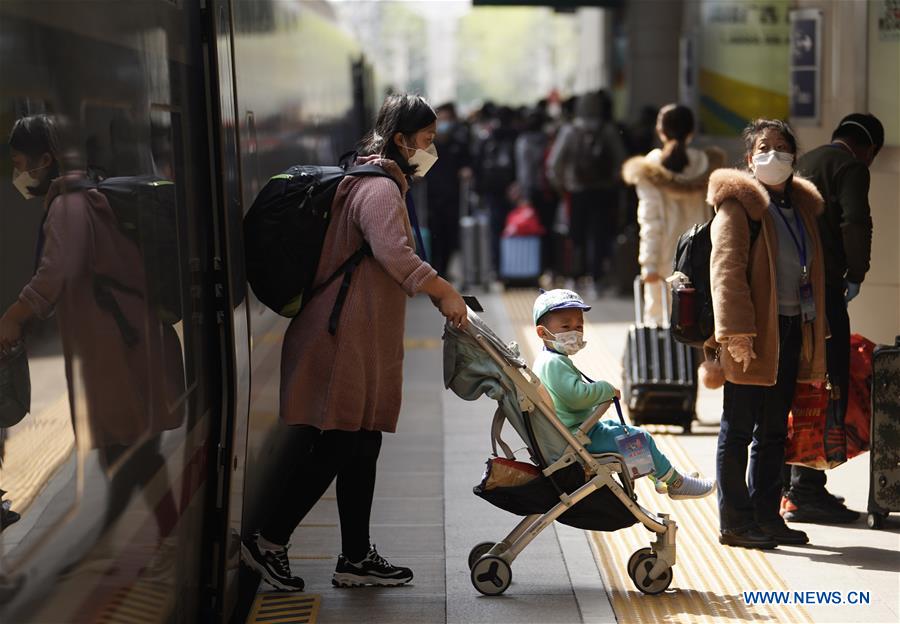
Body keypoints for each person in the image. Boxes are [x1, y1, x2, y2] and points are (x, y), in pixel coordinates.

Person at [240, 94, 468, 592]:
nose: (431, 150)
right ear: (401, 139)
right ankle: (269, 541)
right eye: (426, 140)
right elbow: (395, 254)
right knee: (341, 441)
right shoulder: (379, 188)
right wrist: (443, 291)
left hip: (358, 334)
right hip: (340, 334)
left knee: (363, 441)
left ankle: (356, 556)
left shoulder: (377, 181)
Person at [1, 114, 185, 538]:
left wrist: (14, 316)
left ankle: (163, 535)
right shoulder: (86, 194)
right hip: (123, 339)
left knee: (129, 448)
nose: (17, 174)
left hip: (119, 344)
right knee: (125, 447)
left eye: (20, 163)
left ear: (45, 160)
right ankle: (131, 536)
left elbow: (55, 274)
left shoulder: (67, 206)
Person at [706, 119, 828, 549]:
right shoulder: (739, 206)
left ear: (794, 156)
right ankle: (735, 521)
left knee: (774, 430)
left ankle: (766, 515)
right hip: (752, 335)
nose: (773, 154)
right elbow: (726, 272)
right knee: (739, 428)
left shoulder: (802, 207)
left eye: (781, 146)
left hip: (791, 329)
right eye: (763, 148)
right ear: (749, 158)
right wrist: (736, 333)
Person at [781, 113, 885, 524]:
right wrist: (856, 273)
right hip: (824, 292)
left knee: (796, 382)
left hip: (792, 291)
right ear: (869, 149)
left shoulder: (805, 162)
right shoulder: (852, 167)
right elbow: (855, 223)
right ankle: (805, 490)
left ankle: (790, 484)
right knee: (826, 381)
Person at [532, 289, 716, 499]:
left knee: (619, 429)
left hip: (574, 431)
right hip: (577, 438)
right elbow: (576, 397)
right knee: (639, 439)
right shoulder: (554, 363)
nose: (574, 332)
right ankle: (676, 483)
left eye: (579, 326)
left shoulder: (548, 359)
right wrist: (605, 389)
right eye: (566, 327)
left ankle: (660, 476)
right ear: (542, 332)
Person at [622, 104, 725, 324]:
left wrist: (648, 264)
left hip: (663, 261)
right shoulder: (706, 165)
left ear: (660, 131)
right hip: (701, 257)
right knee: (699, 323)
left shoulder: (650, 169)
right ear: (691, 132)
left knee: (662, 323)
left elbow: (650, 221)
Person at [546, 91, 626, 295]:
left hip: (576, 191)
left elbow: (554, 164)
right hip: (603, 191)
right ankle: (596, 280)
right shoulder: (608, 130)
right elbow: (620, 161)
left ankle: (574, 277)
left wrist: (561, 187)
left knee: (575, 235)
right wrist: (613, 183)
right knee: (599, 236)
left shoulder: (569, 130)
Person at [425, 102, 471, 278]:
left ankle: (444, 270)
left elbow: (467, 164)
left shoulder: (458, 144)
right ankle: (435, 270)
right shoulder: (428, 146)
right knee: (435, 235)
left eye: (447, 119)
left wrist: (466, 171)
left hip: (453, 197)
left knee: (451, 236)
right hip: (432, 199)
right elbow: (417, 171)